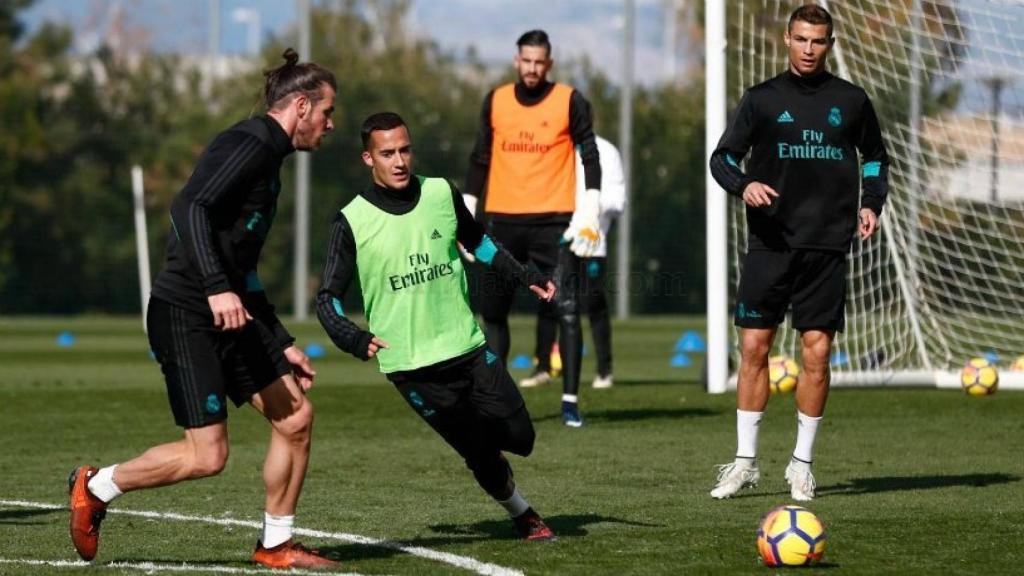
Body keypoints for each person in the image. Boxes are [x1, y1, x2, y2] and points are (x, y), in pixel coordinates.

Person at [69, 49, 340, 569]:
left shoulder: (270, 159)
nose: (330, 127)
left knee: (296, 418)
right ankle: (96, 486)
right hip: (186, 310)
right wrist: (216, 287)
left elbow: (246, 269)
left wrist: (281, 338)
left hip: (231, 311)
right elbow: (188, 206)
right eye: (327, 114)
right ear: (301, 106)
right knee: (207, 456)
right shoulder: (250, 142)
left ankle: (276, 545)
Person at [315, 112, 558, 541]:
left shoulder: (442, 192)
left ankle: (491, 453)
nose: (399, 161)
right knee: (478, 454)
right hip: (412, 367)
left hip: (464, 345)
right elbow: (327, 299)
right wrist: (351, 336)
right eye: (386, 153)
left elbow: (478, 241)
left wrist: (526, 275)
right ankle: (523, 514)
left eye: (404, 150)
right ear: (367, 159)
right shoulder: (350, 221)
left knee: (521, 436)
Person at [707, 4, 888, 501]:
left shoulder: (851, 101)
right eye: (802, 39)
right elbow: (721, 158)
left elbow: (874, 157)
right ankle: (744, 463)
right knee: (753, 349)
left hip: (826, 246)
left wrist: (871, 203)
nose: (810, 49)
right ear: (787, 39)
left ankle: (801, 466)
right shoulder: (761, 99)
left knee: (818, 354)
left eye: (819, 41)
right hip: (771, 244)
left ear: (830, 44)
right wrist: (744, 186)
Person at [464, 29, 603, 427]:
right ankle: (496, 398)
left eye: (539, 62)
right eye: (526, 61)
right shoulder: (496, 101)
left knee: (568, 310)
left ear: (549, 64)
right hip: (503, 223)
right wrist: (470, 214)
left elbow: (589, 153)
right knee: (492, 312)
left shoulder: (569, 100)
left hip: (553, 224)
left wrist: (590, 205)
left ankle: (571, 402)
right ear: (516, 61)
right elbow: (479, 157)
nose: (532, 68)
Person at [521, 134, 626, 390]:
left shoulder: (606, 150)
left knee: (593, 303)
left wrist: (587, 209)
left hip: (590, 240)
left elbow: (618, 200)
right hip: (555, 239)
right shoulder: (553, 145)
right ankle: (543, 367)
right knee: (549, 300)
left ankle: (604, 371)